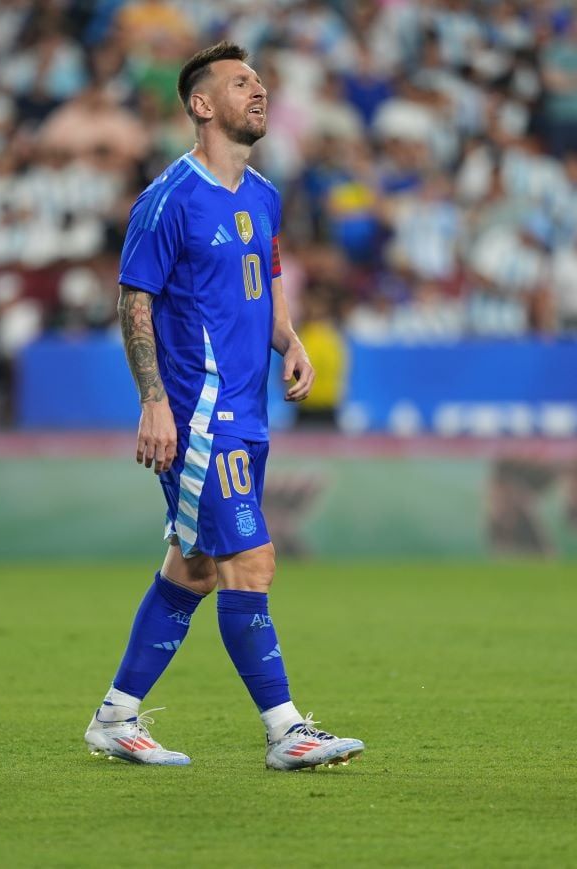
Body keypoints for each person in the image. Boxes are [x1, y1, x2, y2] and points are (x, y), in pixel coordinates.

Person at [83, 42, 365, 771]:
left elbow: (261, 284)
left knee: (195, 566)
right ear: (202, 105)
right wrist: (153, 400)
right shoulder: (168, 198)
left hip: (250, 410)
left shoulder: (264, 196)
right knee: (251, 559)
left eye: (261, 81)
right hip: (199, 415)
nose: (259, 91)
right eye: (241, 83)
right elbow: (133, 300)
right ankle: (285, 729)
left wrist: (290, 339)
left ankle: (117, 715)